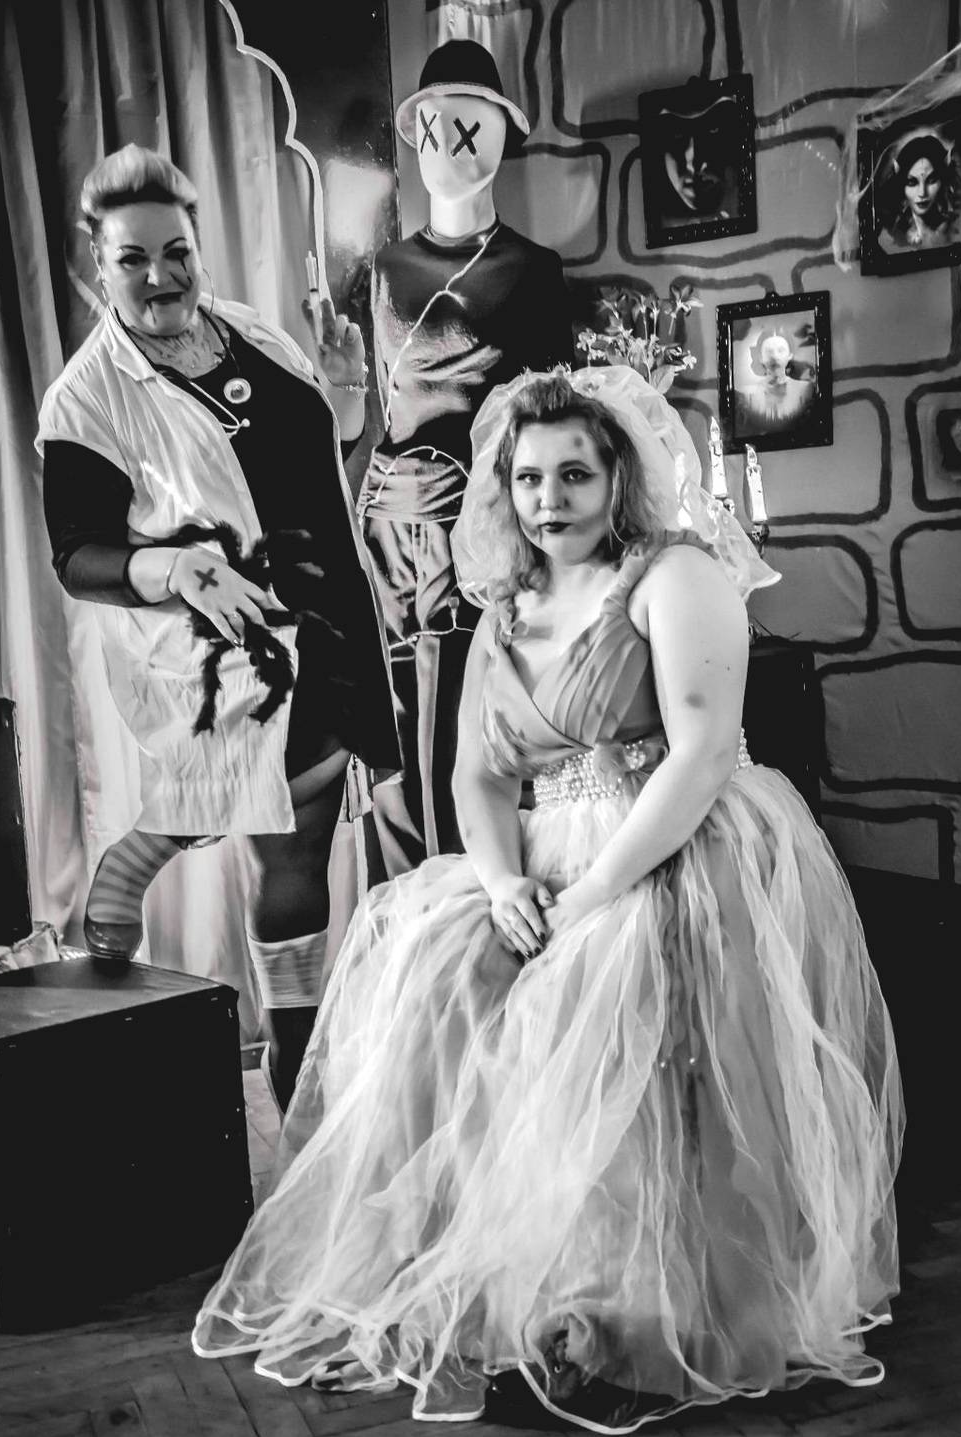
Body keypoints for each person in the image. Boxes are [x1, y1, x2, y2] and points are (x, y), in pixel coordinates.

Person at [193, 365, 903, 1433]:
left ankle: (624, 1315)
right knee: (435, 974)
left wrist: (598, 891)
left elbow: (704, 752)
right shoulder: (506, 605)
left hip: (669, 842)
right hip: (538, 857)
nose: (548, 498)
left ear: (618, 475)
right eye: (528, 477)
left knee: (605, 997)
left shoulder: (674, 576)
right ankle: (484, 1285)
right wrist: (500, 881)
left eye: (574, 473)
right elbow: (477, 775)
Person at [36, 145, 399, 1109]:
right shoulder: (86, 396)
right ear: (98, 263)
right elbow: (76, 554)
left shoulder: (257, 337)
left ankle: (298, 1046)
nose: (160, 276)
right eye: (133, 258)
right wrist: (173, 568)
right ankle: (291, 1050)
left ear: (199, 250)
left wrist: (347, 393)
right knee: (285, 809)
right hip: (219, 639)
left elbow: (324, 474)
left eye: (177, 253)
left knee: (303, 836)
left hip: (326, 614)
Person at [359, 39, 573, 881]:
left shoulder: (535, 271)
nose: (451, 138)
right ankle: (408, 922)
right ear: (415, 132)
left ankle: (478, 903)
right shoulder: (382, 271)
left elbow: (550, 426)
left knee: (471, 723)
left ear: (503, 133)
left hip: (480, 527)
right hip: (388, 527)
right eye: (436, 121)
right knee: (393, 735)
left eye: (472, 121)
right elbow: (370, 411)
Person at [877, 133, 961, 254]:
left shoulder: (957, 229)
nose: (922, 193)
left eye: (931, 180)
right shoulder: (891, 236)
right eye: (912, 182)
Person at [735, 327, 816, 436]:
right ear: (760, 357)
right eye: (769, 351)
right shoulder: (747, 395)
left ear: (790, 355)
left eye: (781, 350)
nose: (775, 356)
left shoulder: (805, 389)